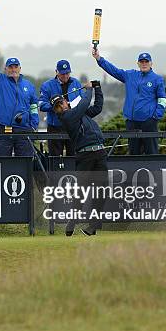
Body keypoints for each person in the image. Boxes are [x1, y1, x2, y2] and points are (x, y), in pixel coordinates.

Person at [51, 81, 107, 236]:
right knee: (81, 193)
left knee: (101, 192)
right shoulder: (68, 117)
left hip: (100, 153)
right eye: (57, 106)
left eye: (60, 103)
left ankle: (93, 226)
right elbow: (84, 104)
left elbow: (97, 107)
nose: (60, 107)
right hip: (85, 156)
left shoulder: (79, 113)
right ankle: (72, 222)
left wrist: (97, 88)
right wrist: (88, 90)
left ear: (65, 101)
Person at [93, 48, 166, 154]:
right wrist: (99, 59)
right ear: (138, 63)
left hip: (149, 122)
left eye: (146, 61)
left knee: (151, 153)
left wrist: (155, 117)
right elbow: (114, 71)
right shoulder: (130, 75)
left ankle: (153, 171)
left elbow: (162, 100)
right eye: (142, 62)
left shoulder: (157, 79)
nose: (144, 64)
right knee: (133, 154)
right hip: (132, 122)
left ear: (151, 63)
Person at [0, 37, 39, 156]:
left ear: (20, 68)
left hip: (24, 128)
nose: (13, 69)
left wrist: (34, 124)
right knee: (2, 160)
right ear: (5, 69)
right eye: (10, 67)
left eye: (15, 66)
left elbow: (33, 105)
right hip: (3, 127)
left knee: (25, 161)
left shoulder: (28, 85)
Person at [38, 60, 83, 156]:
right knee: (55, 158)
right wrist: (56, 106)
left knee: (75, 157)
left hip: (73, 126)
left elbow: (82, 102)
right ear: (56, 72)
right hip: (55, 127)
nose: (65, 76)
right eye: (62, 74)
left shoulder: (76, 83)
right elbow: (41, 105)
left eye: (67, 73)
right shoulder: (47, 86)